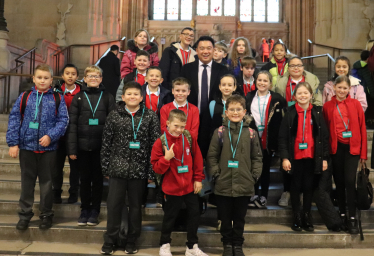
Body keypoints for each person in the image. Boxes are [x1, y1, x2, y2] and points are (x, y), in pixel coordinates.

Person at [100, 81, 161, 255]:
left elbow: (154, 147)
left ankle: (132, 240)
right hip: (117, 169)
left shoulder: (150, 116)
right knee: (113, 206)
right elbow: (106, 144)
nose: (132, 97)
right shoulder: (114, 115)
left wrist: (151, 171)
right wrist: (106, 168)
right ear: (123, 96)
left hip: (139, 170)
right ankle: (110, 240)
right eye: (129, 94)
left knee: (135, 207)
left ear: (141, 98)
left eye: (136, 94)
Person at [7, 64, 69, 230]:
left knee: (47, 184)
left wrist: (51, 136)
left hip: (48, 149)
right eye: (39, 77)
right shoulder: (25, 96)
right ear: (34, 79)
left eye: (46, 78)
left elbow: (63, 121)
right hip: (27, 147)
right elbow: (14, 118)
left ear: (51, 80)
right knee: (27, 183)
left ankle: (46, 214)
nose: (42, 80)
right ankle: (25, 214)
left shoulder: (57, 98)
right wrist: (13, 143)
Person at [207, 95, 262, 256]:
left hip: (244, 182)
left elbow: (257, 157)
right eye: (232, 109)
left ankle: (237, 245)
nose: (235, 112)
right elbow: (211, 156)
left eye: (239, 109)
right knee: (224, 218)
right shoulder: (220, 132)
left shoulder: (251, 133)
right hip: (223, 182)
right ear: (226, 112)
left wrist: (254, 176)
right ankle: (227, 244)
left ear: (244, 112)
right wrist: (216, 174)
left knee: (239, 218)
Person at [151, 109, 207, 256]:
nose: (179, 130)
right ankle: (164, 245)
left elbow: (198, 160)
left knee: (194, 214)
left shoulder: (188, 138)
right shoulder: (160, 142)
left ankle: (192, 247)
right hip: (171, 187)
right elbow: (157, 168)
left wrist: (198, 179)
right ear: (167, 123)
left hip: (189, 186)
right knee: (170, 217)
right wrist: (166, 158)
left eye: (182, 127)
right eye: (176, 126)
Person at [66, 65, 115, 226]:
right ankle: (84, 209)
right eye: (90, 76)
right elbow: (72, 124)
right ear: (85, 79)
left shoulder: (108, 97)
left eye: (97, 76)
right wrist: (72, 148)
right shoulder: (78, 97)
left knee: (98, 180)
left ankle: (95, 211)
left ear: (101, 79)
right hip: (82, 147)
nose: (93, 79)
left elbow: (112, 124)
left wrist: (110, 149)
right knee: (84, 180)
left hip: (101, 147)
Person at [279, 82, 329, 232]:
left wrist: (324, 158)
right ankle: (297, 216)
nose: (302, 96)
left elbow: (324, 137)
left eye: (305, 93)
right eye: (299, 93)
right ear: (294, 96)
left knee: (308, 187)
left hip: (312, 157)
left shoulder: (318, 113)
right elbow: (282, 138)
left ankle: (307, 216)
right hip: (295, 157)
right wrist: (285, 158)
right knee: (295, 187)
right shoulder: (289, 113)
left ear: (311, 95)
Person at [274, 56, 322, 207]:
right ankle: (288, 192)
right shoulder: (281, 83)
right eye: (292, 65)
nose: (296, 68)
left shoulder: (313, 80)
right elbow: (278, 100)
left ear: (303, 67)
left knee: (306, 170)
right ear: (288, 68)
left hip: (307, 121)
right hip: (288, 122)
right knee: (288, 162)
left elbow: (319, 102)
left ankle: (304, 195)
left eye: (299, 65)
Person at [323, 75, 367, 234]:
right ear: (334, 88)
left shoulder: (355, 104)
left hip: (352, 149)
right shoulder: (328, 106)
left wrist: (363, 154)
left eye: (345, 88)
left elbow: (362, 128)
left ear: (349, 89)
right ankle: (342, 214)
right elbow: (326, 131)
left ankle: (352, 217)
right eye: (339, 87)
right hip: (336, 149)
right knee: (339, 183)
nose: (342, 91)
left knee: (349, 181)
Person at [180, 36, 229, 157]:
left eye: (209, 48)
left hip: (215, 119)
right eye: (202, 48)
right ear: (196, 50)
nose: (205, 51)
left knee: (214, 154)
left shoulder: (223, 70)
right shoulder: (186, 69)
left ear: (213, 50)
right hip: (191, 118)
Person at [246, 71, 287, 209]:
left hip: (269, 141)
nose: (262, 83)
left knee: (264, 169)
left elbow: (282, 121)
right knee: (253, 168)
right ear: (255, 81)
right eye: (259, 80)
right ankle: (253, 194)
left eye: (265, 81)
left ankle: (263, 196)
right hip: (252, 140)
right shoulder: (249, 97)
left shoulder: (277, 99)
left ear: (270, 83)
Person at [52, 63, 81, 204]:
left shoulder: (82, 92)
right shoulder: (55, 91)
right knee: (57, 168)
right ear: (63, 76)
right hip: (58, 137)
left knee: (75, 168)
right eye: (67, 73)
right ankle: (56, 192)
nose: (70, 76)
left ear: (77, 76)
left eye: (73, 74)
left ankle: (74, 192)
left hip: (75, 136)